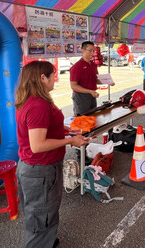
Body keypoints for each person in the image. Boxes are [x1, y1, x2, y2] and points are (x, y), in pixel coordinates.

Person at [15, 61, 89, 248]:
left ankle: (46, 241)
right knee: (40, 217)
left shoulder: (32, 98)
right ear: (42, 78)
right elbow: (38, 145)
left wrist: (65, 130)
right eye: (53, 74)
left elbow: (41, 129)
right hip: (41, 169)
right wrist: (70, 141)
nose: (55, 78)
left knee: (42, 213)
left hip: (37, 168)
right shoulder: (38, 105)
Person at [70, 41, 100, 116]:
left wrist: (107, 81)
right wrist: (90, 91)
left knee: (93, 117)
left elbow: (95, 79)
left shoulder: (93, 65)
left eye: (94, 51)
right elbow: (73, 86)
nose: (92, 53)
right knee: (82, 119)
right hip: (81, 97)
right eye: (90, 50)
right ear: (82, 50)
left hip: (92, 95)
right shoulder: (77, 67)